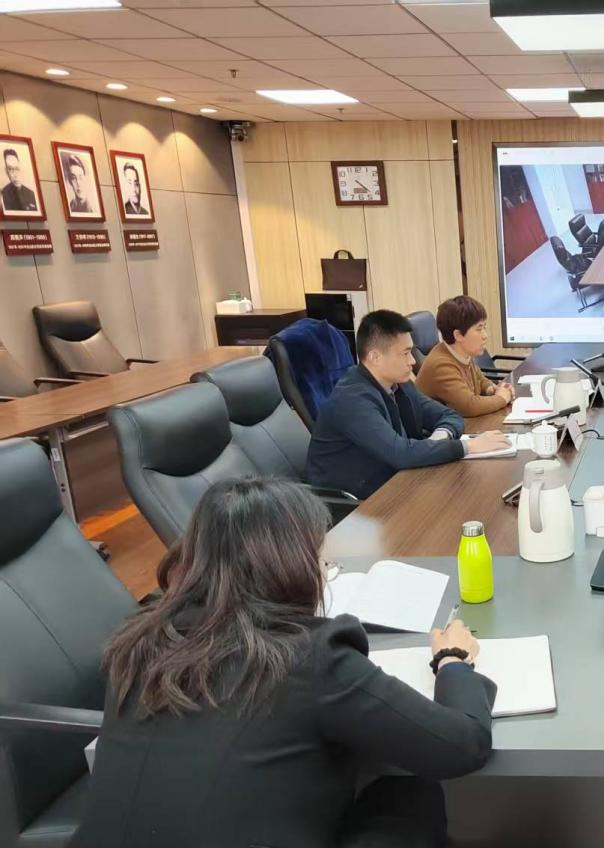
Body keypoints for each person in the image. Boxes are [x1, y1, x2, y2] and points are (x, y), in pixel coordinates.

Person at [69, 478, 496, 848]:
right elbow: (461, 746)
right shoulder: (308, 656)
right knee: (410, 794)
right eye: (322, 560)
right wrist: (452, 660)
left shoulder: (138, 641)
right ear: (293, 566)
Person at [307, 309, 509, 498]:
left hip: (396, 480)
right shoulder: (352, 399)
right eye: (405, 353)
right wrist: (468, 446)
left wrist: (439, 438)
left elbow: (450, 416)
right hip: (356, 501)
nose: (412, 361)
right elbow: (400, 453)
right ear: (375, 357)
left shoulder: (399, 383)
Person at [416, 295, 515, 418]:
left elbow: (479, 379)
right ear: (458, 335)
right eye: (479, 329)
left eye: (484, 327)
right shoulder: (441, 365)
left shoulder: (461, 353)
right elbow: (469, 406)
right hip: (438, 428)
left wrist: (492, 389)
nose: (485, 336)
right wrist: (501, 398)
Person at [2, 148, 38, 212]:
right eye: (10, 169)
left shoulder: (31, 194)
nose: (15, 174)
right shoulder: (3, 194)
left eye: (16, 168)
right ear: (6, 171)